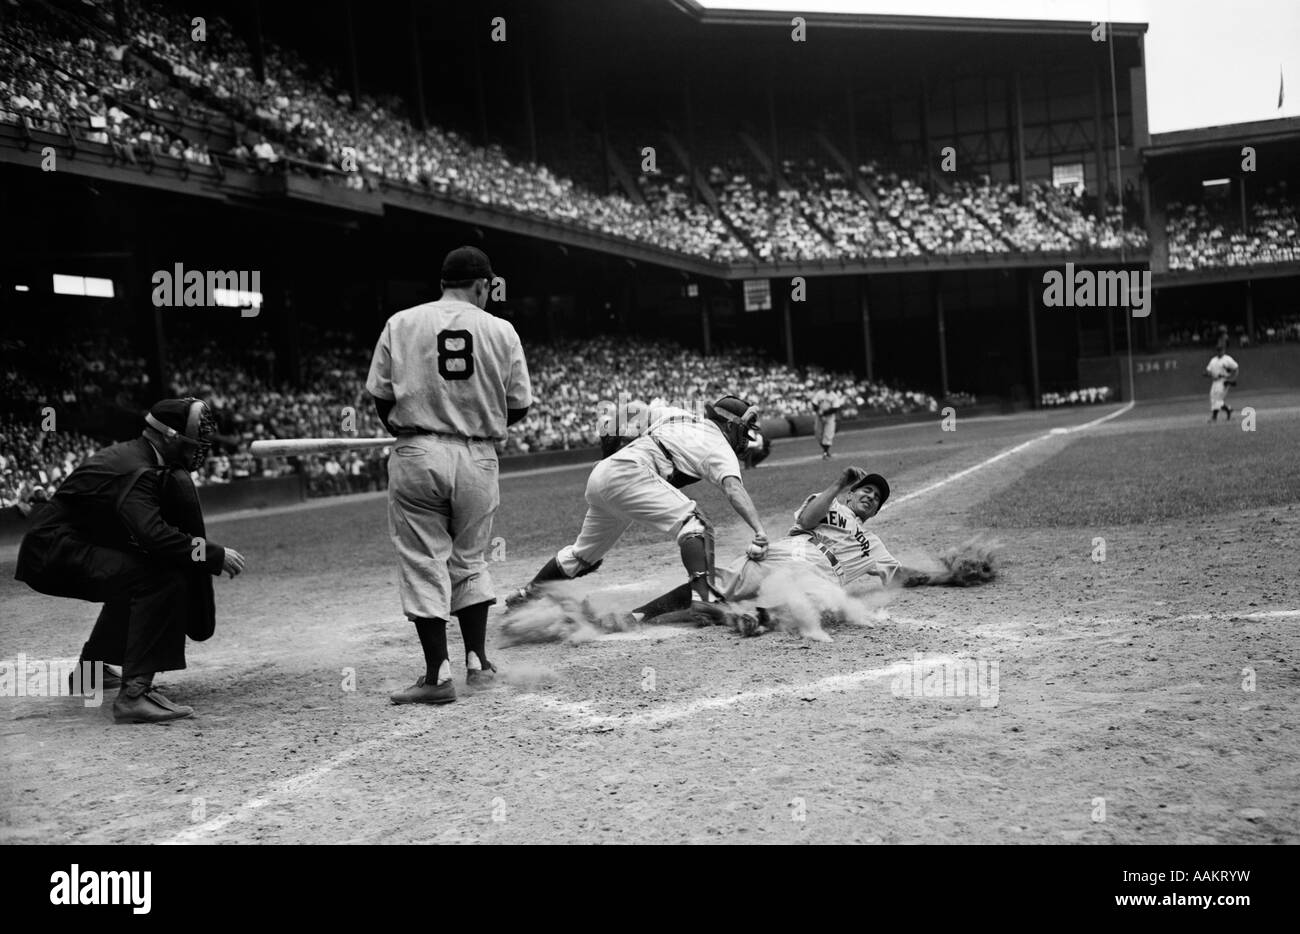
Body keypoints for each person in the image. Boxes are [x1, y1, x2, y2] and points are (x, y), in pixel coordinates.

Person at [13, 399, 247, 724]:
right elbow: (154, 534)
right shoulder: (140, 469)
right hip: (55, 552)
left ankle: (89, 674)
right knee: (162, 577)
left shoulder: (137, 455)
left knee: (136, 572)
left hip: (57, 547)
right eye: (194, 439)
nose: (200, 447)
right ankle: (135, 695)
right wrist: (213, 554)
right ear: (167, 436)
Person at [367, 245, 532, 706]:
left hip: (417, 450)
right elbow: (517, 405)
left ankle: (436, 674)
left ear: (443, 282)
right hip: (478, 455)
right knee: (471, 558)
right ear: (481, 284)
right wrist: (474, 424)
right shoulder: (502, 330)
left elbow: (381, 397)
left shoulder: (401, 323)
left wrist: (415, 432)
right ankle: (477, 662)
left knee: (423, 560)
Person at [504, 394, 769, 614]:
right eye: (745, 430)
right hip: (633, 474)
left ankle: (526, 594)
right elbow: (734, 490)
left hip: (603, 476)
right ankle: (705, 601)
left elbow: (634, 408)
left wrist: (608, 450)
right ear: (731, 425)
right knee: (695, 524)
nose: (747, 437)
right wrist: (759, 530)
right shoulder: (718, 445)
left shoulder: (679, 415)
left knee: (582, 556)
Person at [629, 466, 900, 626]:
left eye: (877, 498)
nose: (871, 496)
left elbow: (899, 575)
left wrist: (943, 574)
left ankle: (752, 618)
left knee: (821, 601)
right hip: (791, 551)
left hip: (823, 574)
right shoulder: (831, 503)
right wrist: (839, 483)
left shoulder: (874, 545)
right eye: (867, 490)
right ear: (852, 493)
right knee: (716, 583)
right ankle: (637, 616)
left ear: (875, 512)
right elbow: (806, 519)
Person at [1205, 339, 1239, 422]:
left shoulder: (1227, 359)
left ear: (1224, 350)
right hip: (1215, 381)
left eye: (1221, 350)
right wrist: (1209, 374)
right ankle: (1228, 409)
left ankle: (1214, 417)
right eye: (1218, 350)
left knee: (1217, 398)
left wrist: (1232, 379)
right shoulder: (1213, 360)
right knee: (1213, 398)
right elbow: (1208, 370)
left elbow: (1236, 368)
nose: (1220, 351)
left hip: (1224, 381)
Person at [811, 385, 845, 458]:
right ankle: (826, 450)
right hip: (819, 416)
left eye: (830, 386)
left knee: (828, 434)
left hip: (830, 417)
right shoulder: (819, 393)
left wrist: (823, 414)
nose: (829, 387)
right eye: (827, 385)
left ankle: (825, 452)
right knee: (817, 433)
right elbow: (814, 404)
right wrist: (819, 412)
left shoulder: (834, 396)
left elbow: (835, 408)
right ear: (825, 386)